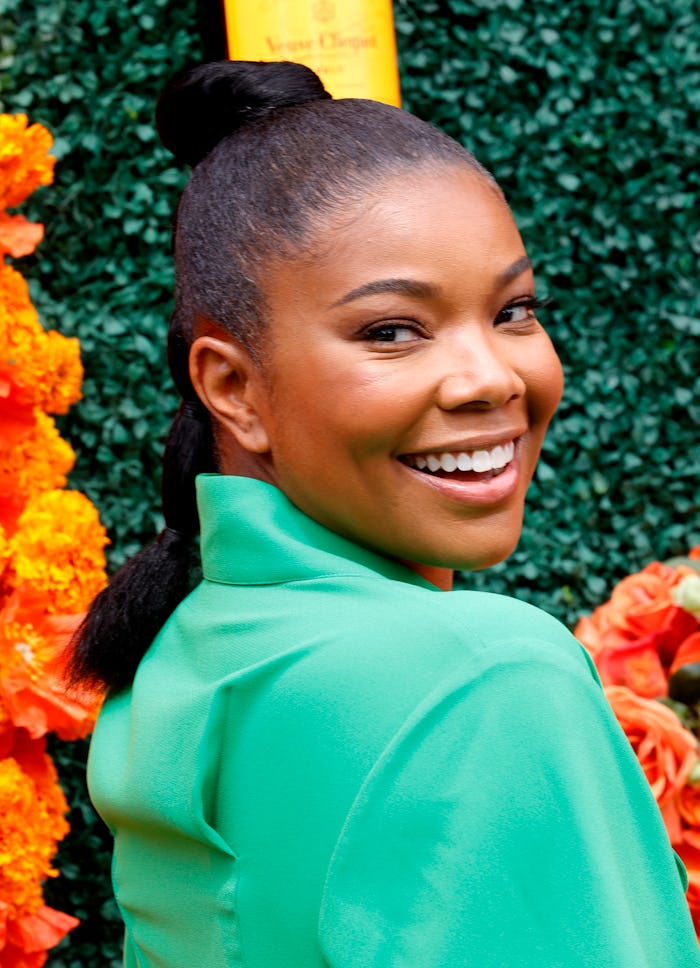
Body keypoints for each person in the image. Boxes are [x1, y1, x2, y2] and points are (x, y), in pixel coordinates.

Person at [70, 61, 699, 967]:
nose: (493, 377)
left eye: (516, 310)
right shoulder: (485, 677)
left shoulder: (179, 649)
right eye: (392, 331)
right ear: (232, 389)